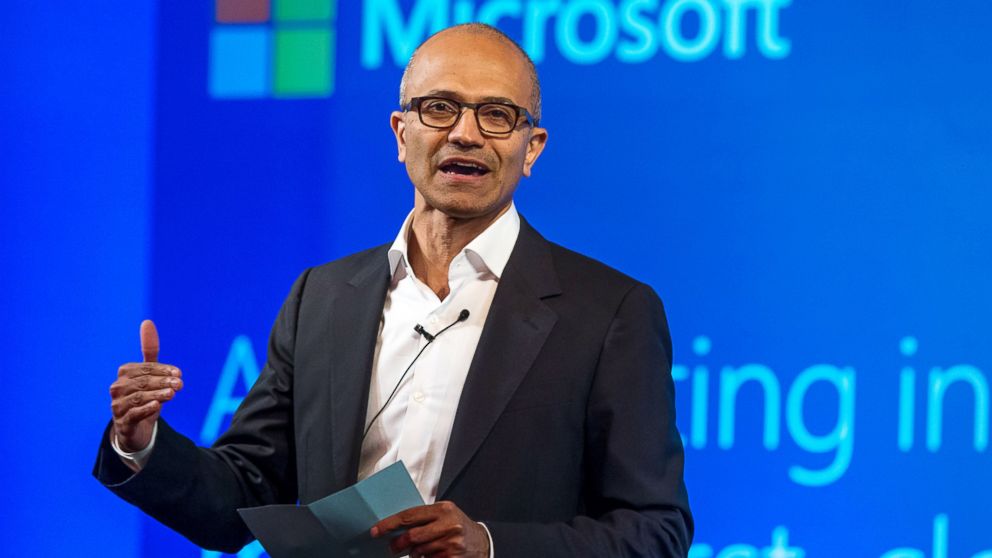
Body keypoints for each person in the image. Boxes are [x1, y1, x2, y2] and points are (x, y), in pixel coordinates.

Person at [95, 23, 693, 557]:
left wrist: (488, 546)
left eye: (497, 115)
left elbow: (655, 532)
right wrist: (142, 443)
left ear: (530, 148)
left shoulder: (608, 312)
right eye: (439, 108)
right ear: (401, 133)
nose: (465, 134)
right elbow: (240, 501)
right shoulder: (323, 298)